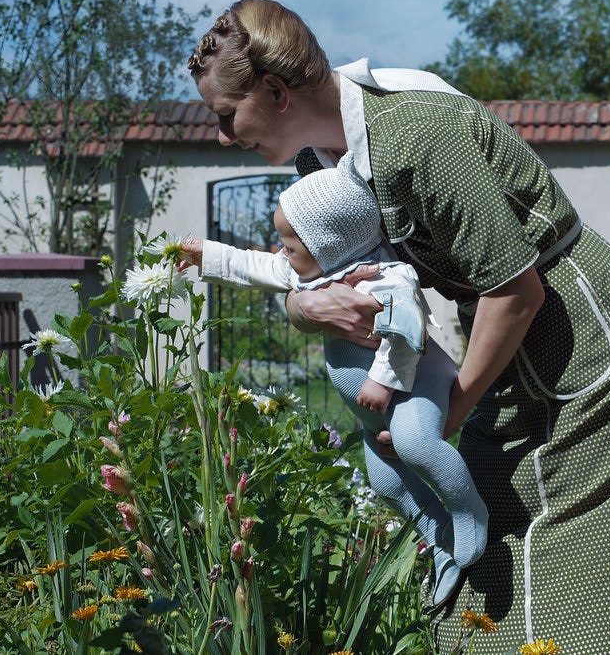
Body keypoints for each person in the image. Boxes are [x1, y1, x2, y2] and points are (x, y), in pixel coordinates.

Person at [186, 0, 610, 655]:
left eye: (226, 115)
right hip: (509, 356)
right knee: (486, 576)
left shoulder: (416, 136)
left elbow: (516, 290)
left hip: (590, 350)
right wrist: (308, 308)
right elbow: (308, 281)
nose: (222, 135)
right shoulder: (323, 167)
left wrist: (454, 408)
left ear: (276, 91)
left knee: (560, 602)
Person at [180, 153, 487, 607]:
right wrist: (205, 254)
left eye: (290, 243)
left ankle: (468, 514)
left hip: (414, 384)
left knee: (417, 444)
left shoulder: (385, 278)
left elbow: (408, 331)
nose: (281, 250)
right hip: (372, 409)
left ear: (328, 243)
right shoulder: (313, 272)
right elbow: (254, 265)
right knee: (386, 482)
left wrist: (382, 381)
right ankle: (438, 535)